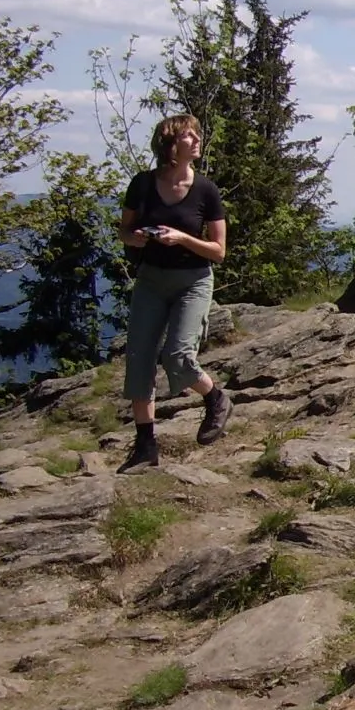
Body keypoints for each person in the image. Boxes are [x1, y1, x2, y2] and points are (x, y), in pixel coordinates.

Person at [116, 114, 234, 473]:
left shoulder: (206, 191)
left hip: (193, 280)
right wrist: (134, 237)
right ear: (170, 144)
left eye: (197, 134)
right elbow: (123, 230)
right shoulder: (142, 184)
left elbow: (218, 251)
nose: (197, 140)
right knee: (139, 360)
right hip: (151, 279)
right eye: (189, 135)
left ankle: (216, 399)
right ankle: (145, 447)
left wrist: (182, 238)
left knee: (178, 357)